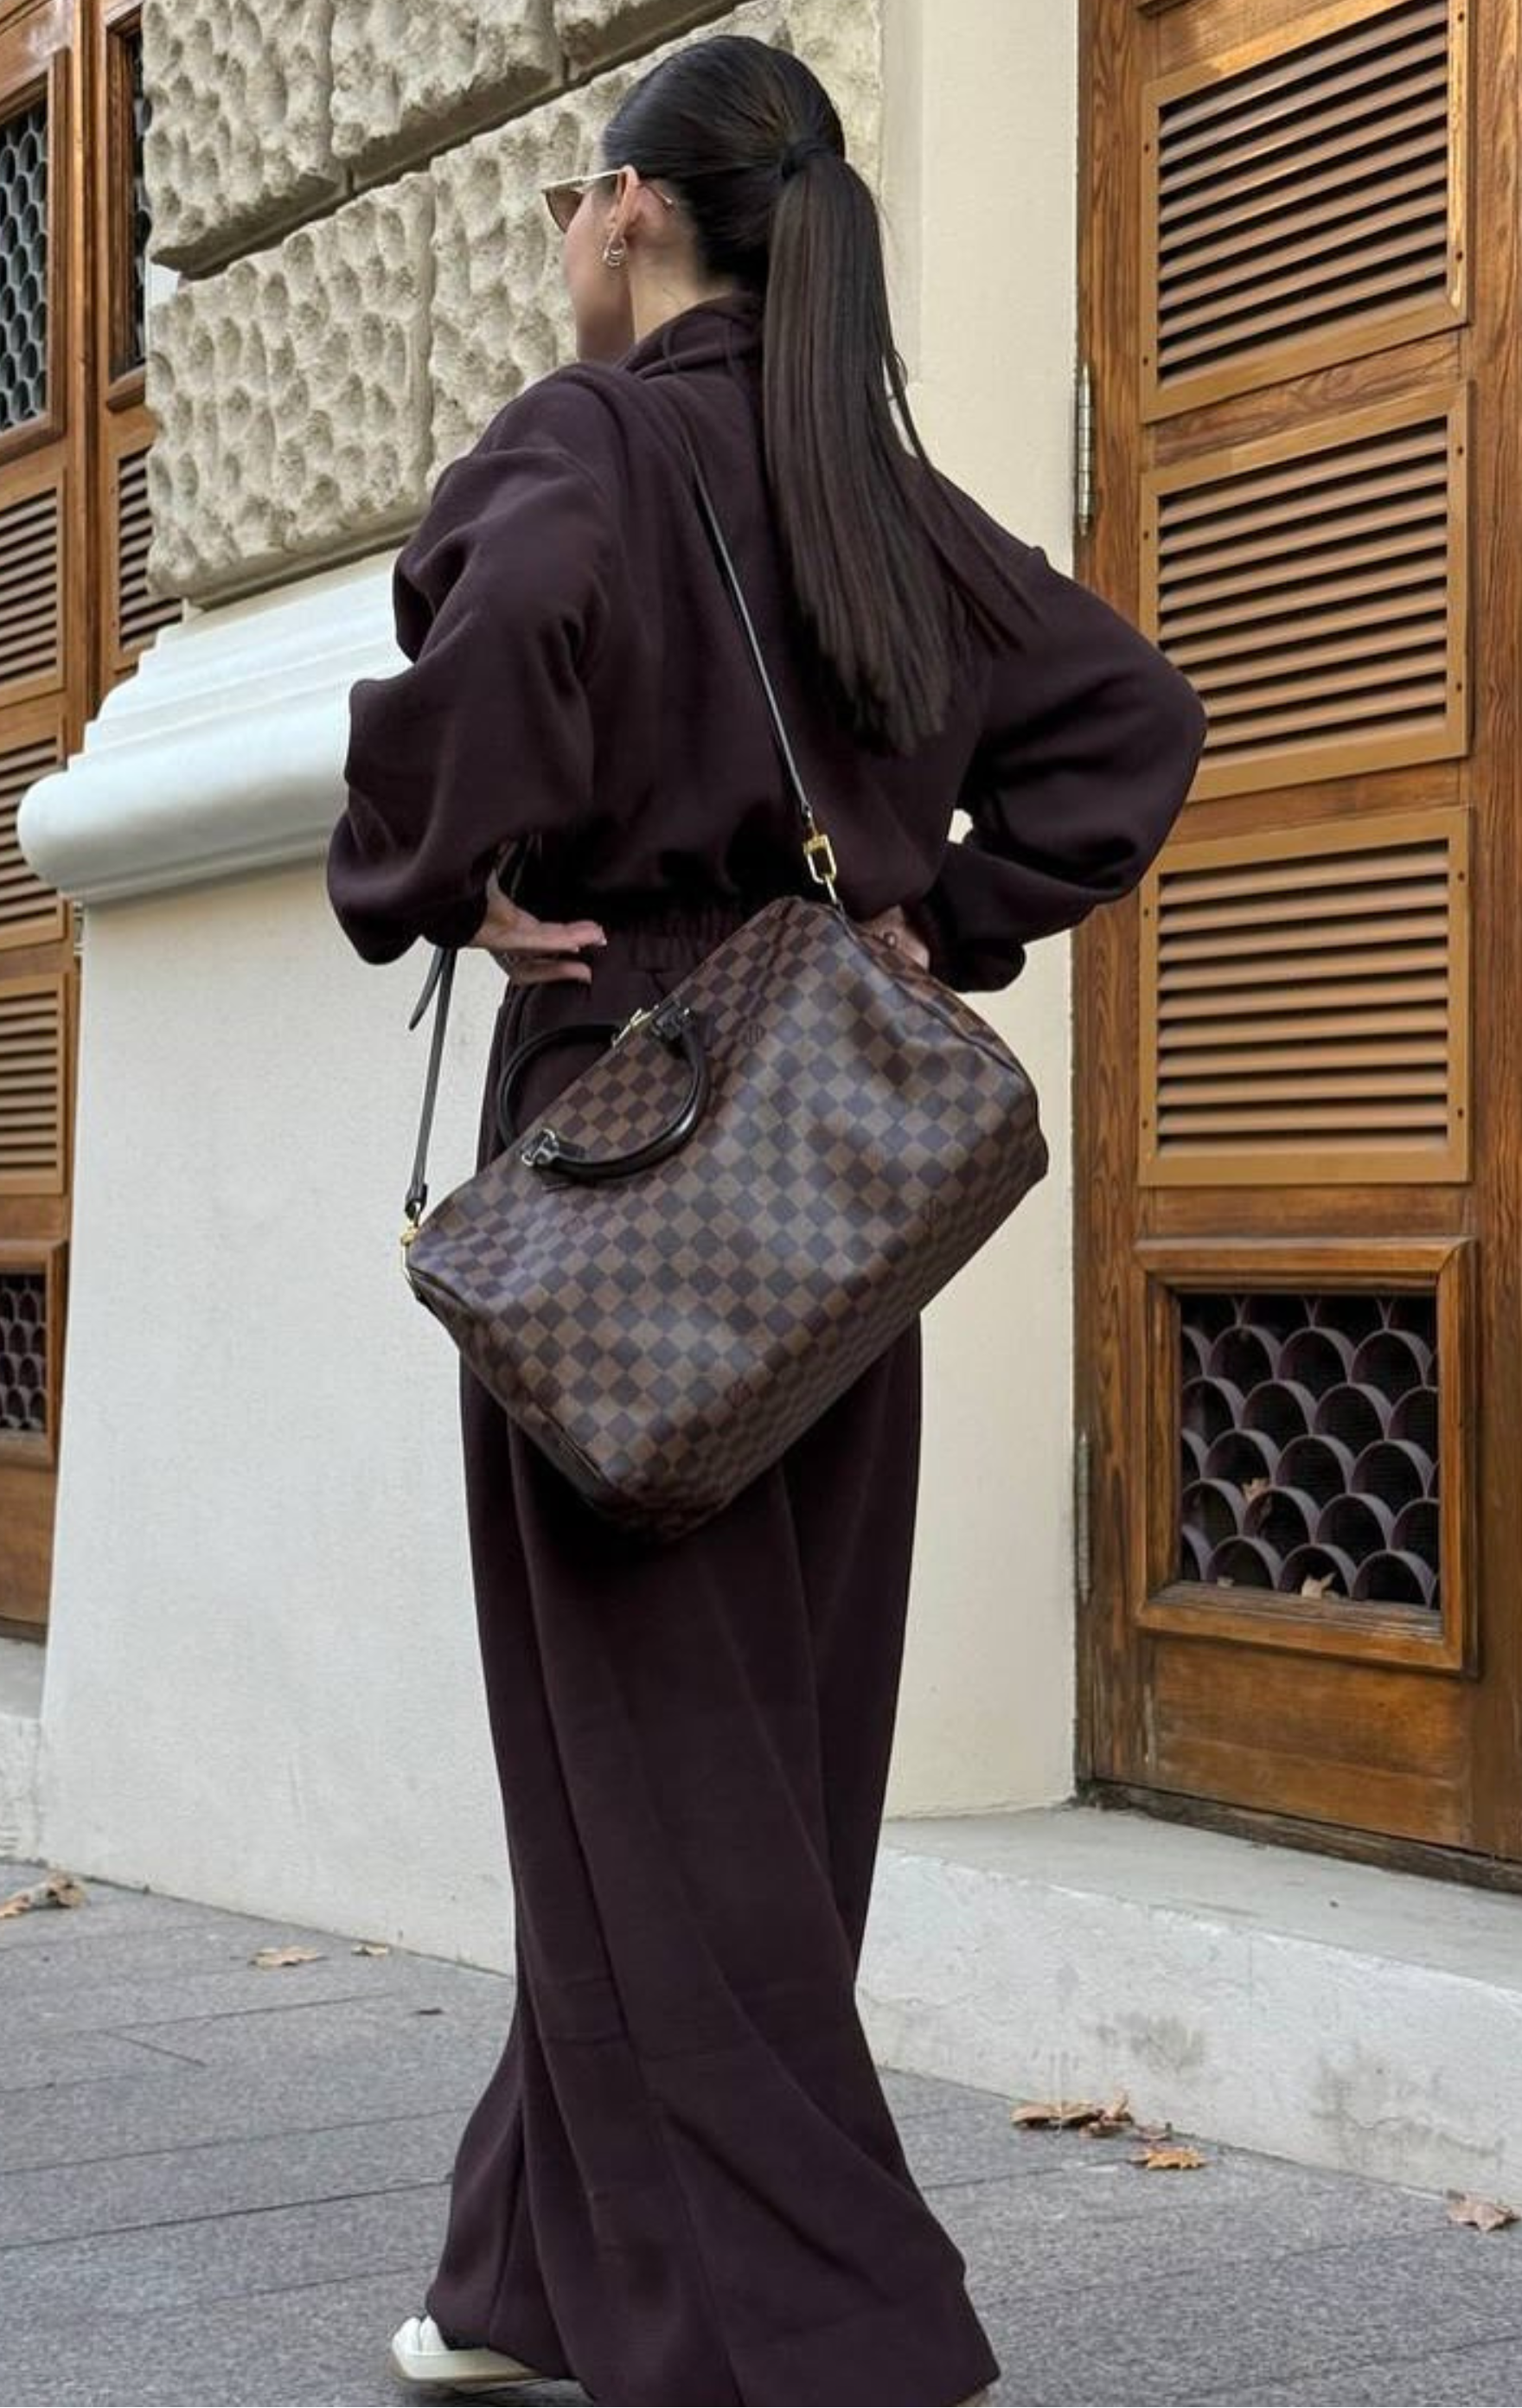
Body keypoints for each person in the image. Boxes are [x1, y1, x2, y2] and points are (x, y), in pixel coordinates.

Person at [326, 30, 1208, 2408]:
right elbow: (1127, 719)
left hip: (629, 1133)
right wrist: (944, 918)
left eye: (568, 198)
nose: (561, 235)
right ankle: (524, 2277)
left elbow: (498, 631)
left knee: (641, 1751)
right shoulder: (869, 487)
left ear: (631, 204)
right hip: (830, 1149)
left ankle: (821, 2333)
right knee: (747, 1747)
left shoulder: (586, 442)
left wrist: (435, 870)